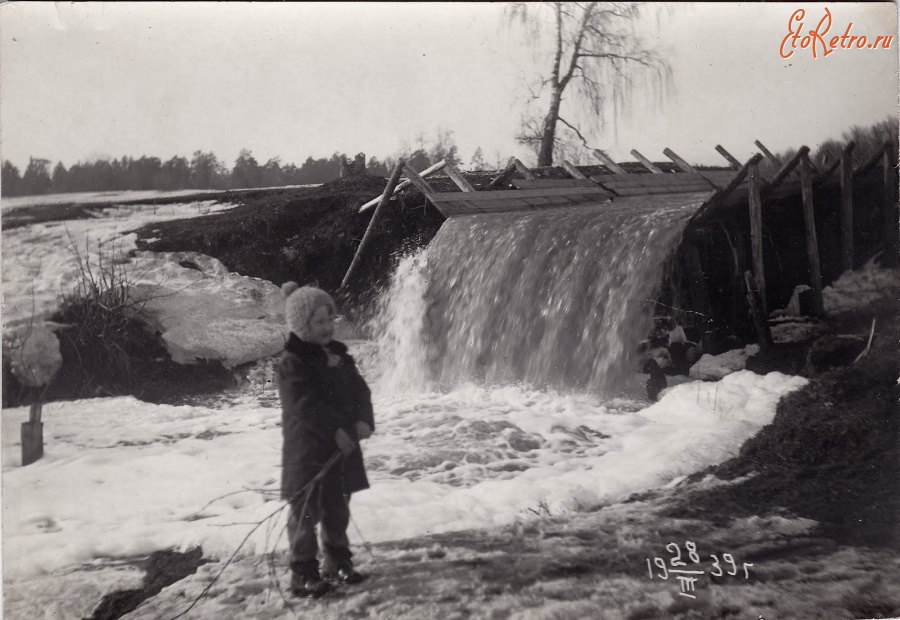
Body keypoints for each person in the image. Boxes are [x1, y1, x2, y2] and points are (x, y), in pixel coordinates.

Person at [276, 282, 375, 598]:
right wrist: (335, 430)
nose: (327, 327)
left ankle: (337, 560)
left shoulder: (340, 357)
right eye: (318, 322)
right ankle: (303, 571)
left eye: (330, 319)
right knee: (305, 512)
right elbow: (304, 406)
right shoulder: (292, 362)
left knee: (338, 506)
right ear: (303, 325)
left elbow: (361, 391)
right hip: (308, 451)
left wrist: (363, 419)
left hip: (341, 448)